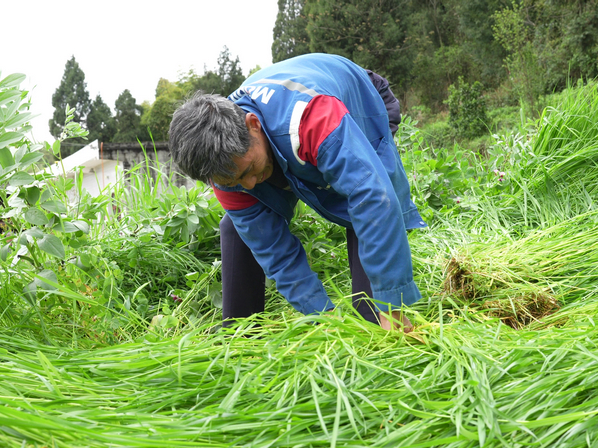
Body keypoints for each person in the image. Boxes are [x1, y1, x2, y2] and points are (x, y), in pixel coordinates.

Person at [169, 53, 426, 331]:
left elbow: (372, 196)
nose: (250, 184)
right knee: (237, 226)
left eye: (248, 170)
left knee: (356, 194)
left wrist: (390, 306)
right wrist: (323, 317)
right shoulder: (225, 170)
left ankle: (377, 311)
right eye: (234, 181)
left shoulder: (312, 118)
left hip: (360, 100)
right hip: (287, 131)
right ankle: (240, 335)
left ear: (252, 125)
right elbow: (275, 252)